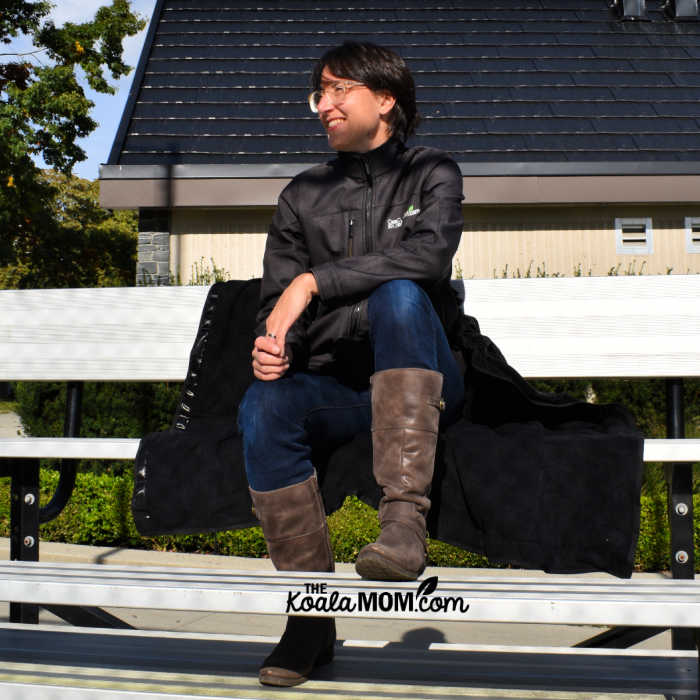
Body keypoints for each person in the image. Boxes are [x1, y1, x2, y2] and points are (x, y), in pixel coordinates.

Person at [237, 41, 465, 687]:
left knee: (400, 294)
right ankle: (309, 618)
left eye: (340, 90)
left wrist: (312, 284)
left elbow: (426, 262)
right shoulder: (301, 194)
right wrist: (270, 341)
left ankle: (402, 527)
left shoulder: (432, 172)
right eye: (320, 93)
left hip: (428, 376)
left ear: (385, 99)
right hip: (343, 385)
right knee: (263, 404)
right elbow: (273, 305)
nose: (324, 106)